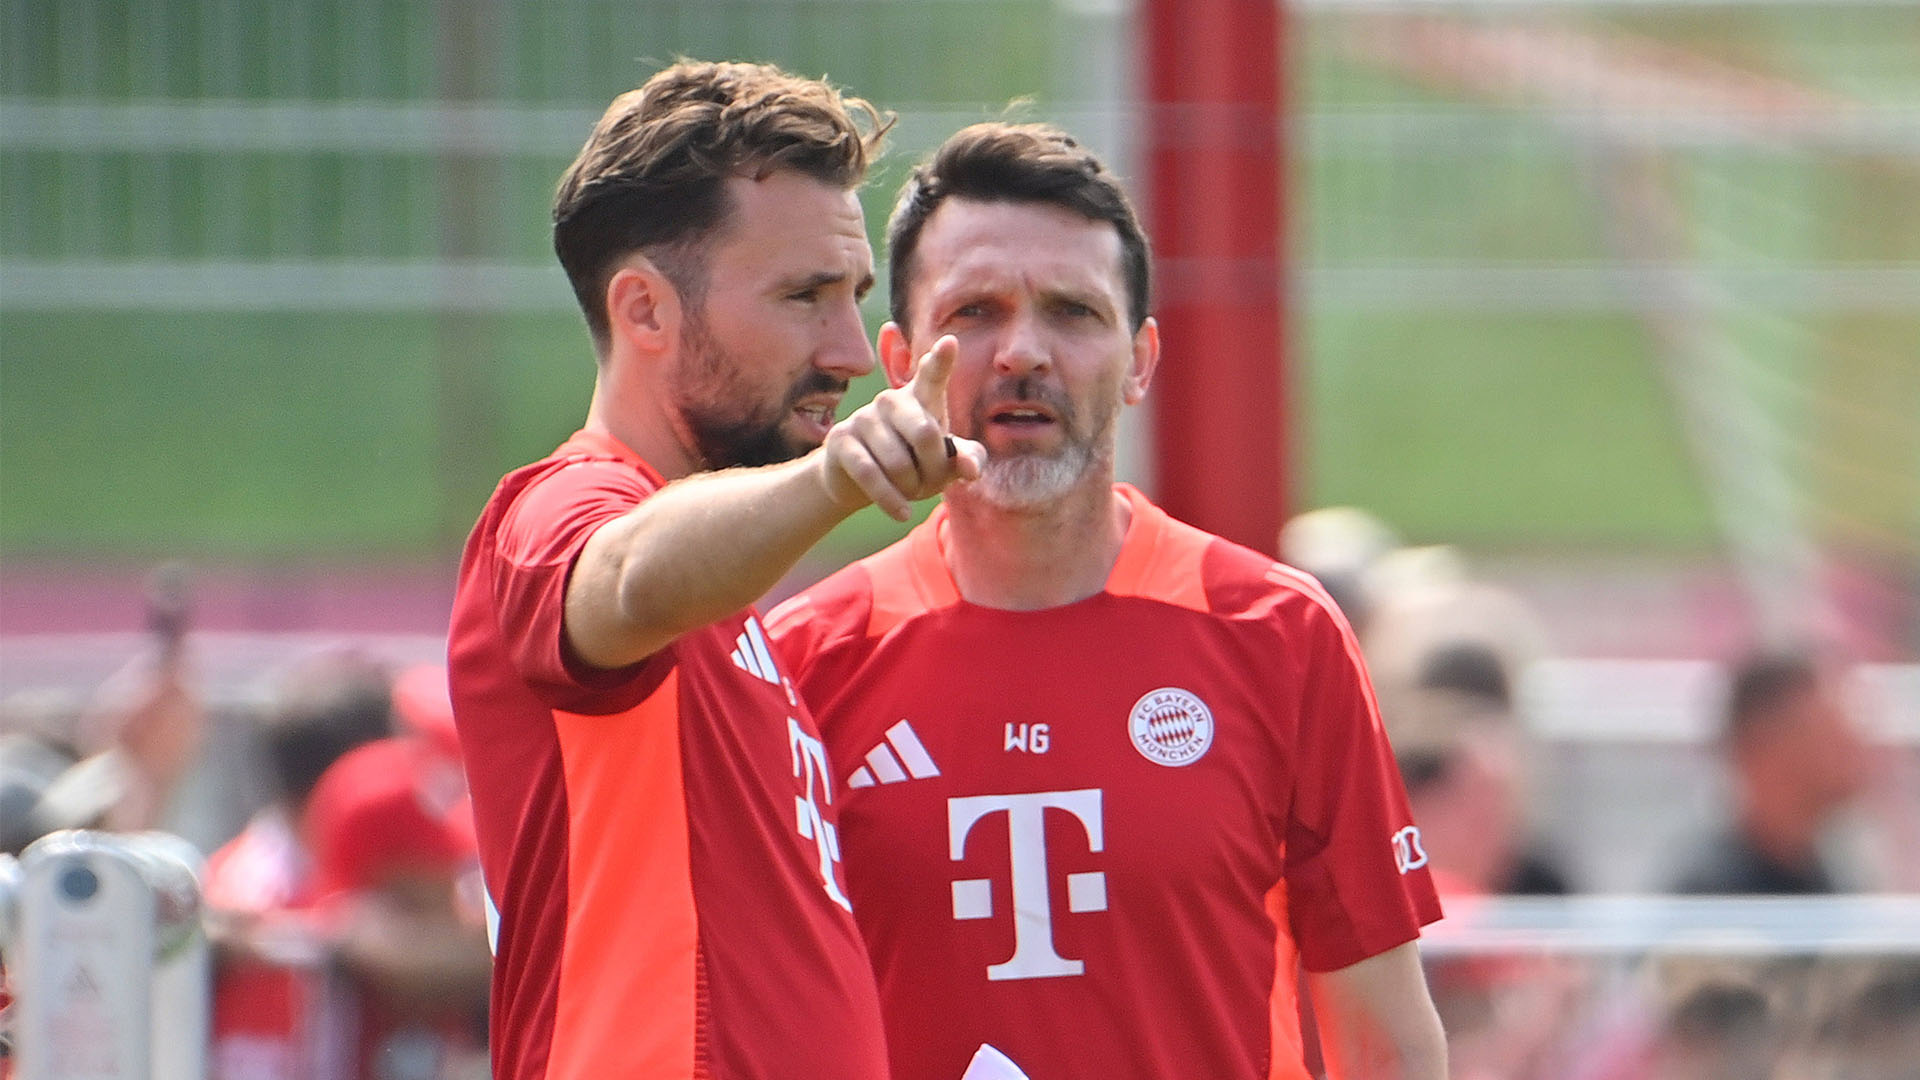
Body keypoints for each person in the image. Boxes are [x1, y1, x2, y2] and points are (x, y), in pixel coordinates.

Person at [766, 122, 1446, 1080]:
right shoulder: (804, 662)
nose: (1022, 353)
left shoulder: (1276, 636)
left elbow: (1386, 1038)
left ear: (1140, 361)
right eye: (976, 312)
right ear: (899, 356)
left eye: (1074, 314)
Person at [445, 60, 982, 1080]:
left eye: (853, 297)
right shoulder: (558, 508)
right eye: (804, 297)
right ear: (645, 311)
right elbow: (627, 577)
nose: (851, 351)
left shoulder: (737, 611)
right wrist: (835, 480)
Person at [1667, 647, 1870, 894]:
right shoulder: (1710, 897)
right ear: (1760, 747)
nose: (1854, 746)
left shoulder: (1822, 875)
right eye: (1830, 732)